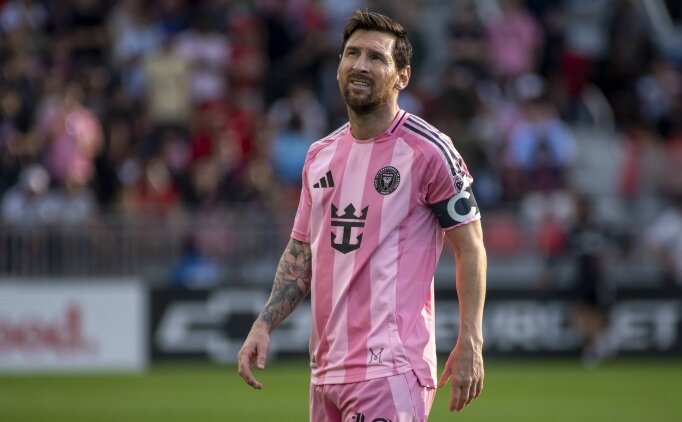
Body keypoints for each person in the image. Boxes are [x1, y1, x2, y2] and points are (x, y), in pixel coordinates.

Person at [238, 10, 487, 421]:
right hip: (326, 371)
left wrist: (471, 340)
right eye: (352, 53)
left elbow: (471, 247)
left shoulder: (429, 150)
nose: (360, 64)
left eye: (376, 57)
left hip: (391, 368)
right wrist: (263, 324)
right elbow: (301, 252)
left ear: (402, 77)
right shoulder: (319, 155)